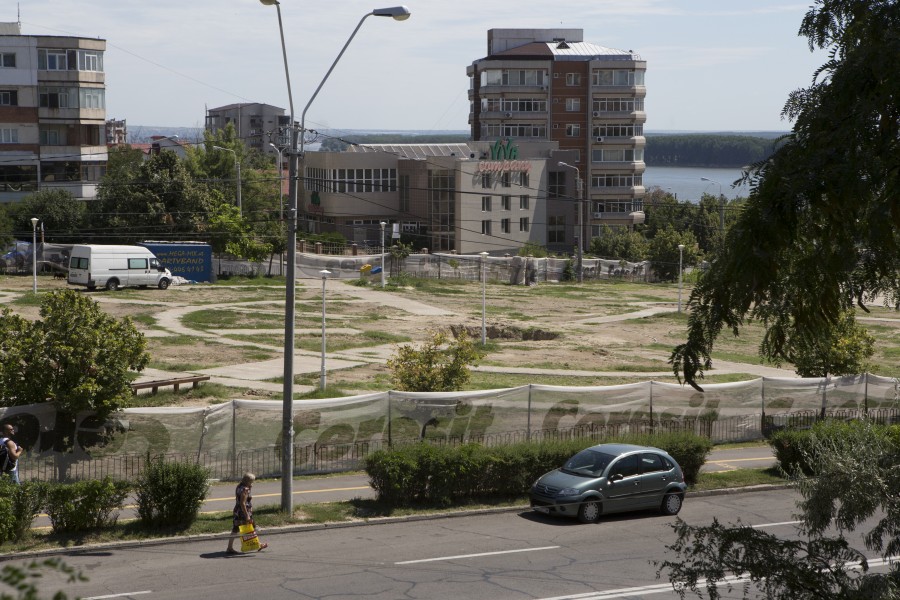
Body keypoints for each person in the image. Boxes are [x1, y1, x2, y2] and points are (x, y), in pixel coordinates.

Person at [226, 472, 267, 554]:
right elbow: (243, 503)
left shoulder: (239, 486)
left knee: (236, 529)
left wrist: (249, 487)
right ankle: (258, 545)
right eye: (252, 482)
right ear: (248, 481)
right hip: (243, 512)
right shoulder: (245, 490)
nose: (252, 483)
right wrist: (247, 515)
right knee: (250, 528)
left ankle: (229, 547)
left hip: (237, 511)